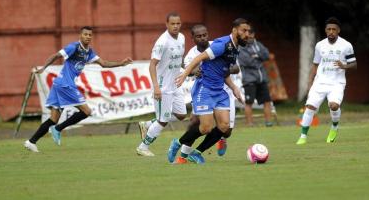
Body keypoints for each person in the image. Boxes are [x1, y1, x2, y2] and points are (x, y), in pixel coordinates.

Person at [24, 26, 133, 152]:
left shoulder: (89, 52)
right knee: (86, 111)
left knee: (53, 119)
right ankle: (58, 129)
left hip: (59, 85)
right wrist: (44, 68)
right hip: (65, 85)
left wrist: (121, 63)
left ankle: (31, 142)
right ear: (80, 36)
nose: (87, 37)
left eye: (90, 35)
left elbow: (103, 64)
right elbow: (56, 56)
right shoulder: (74, 47)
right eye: (85, 34)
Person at [167, 18, 250, 164]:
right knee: (205, 128)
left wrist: (234, 88)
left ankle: (197, 153)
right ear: (235, 30)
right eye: (244, 31)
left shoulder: (234, 48)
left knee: (224, 127)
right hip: (205, 89)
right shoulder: (222, 44)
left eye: (248, 31)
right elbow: (200, 57)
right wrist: (185, 74)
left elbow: (224, 71)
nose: (247, 34)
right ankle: (177, 143)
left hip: (219, 90)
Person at [296, 17, 357, 145]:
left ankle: (334, 127)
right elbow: (315, 64)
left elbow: (354, 64)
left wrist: (344, 66)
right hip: (320, 82)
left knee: (334, 106)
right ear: (325, 30)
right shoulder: (320, 45)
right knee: (310, 107)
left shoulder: (346, 45)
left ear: (338, 30)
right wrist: (310, 82)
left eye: (334, 29)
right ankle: (303, 136)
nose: (331, 32)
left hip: (337, 83)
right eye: (329, 29)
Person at [136, 12, 187, 156]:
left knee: (182, 114)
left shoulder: (182, 38)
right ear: (167, 24)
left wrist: (189, 70)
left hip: (176, 83)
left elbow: (178, 60)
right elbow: (152, 65)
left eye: (178, 23)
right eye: (173, 24)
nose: (176, 26)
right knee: (163, 120)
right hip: (163, 86)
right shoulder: (162, 42)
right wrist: (156, 87)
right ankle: (143, 147)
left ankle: (147, 124)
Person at [238, 27, 274, 127]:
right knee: (249, 102)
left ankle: (268, 122)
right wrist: (259, 58)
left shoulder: (258, 44)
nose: (250, 35)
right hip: (249, 80)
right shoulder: (241, 47)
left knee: (267, 101)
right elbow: (247, 62)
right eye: (247, 33)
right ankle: (250, 124)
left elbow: (267, 55)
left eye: (251, 33)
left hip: (262, 78)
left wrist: (256, 56)